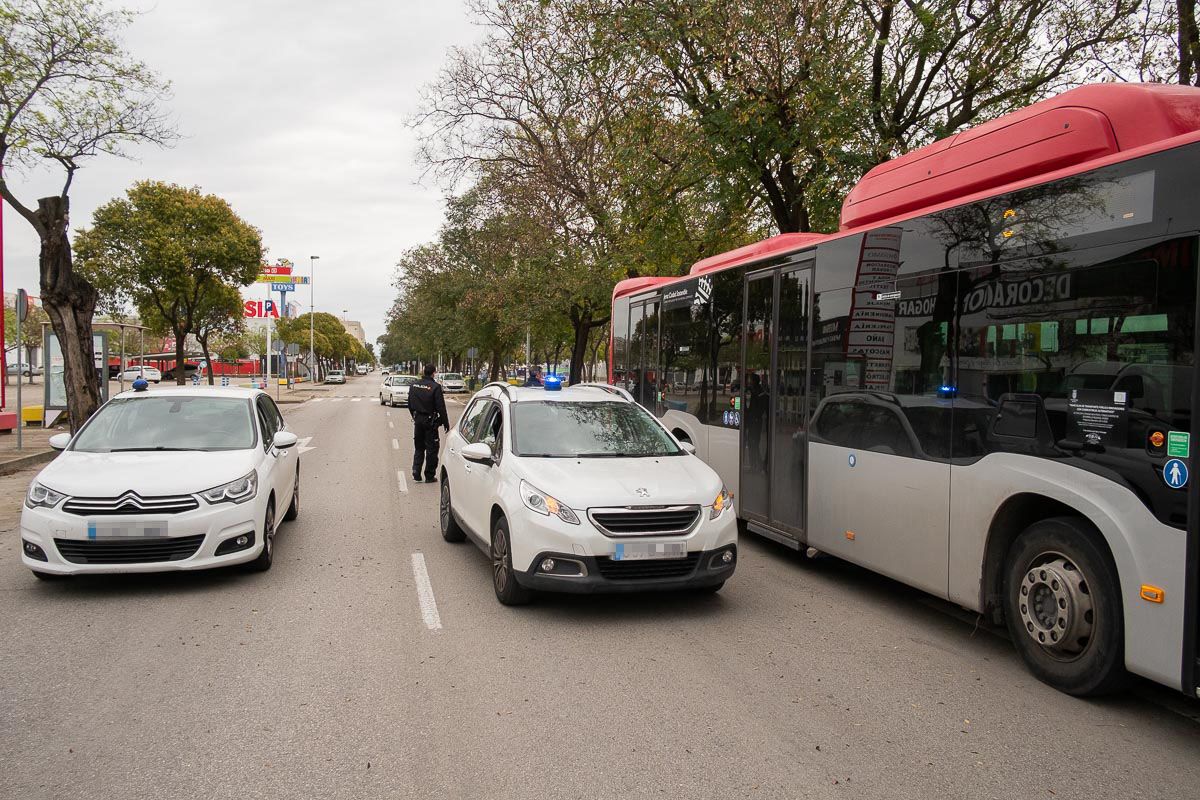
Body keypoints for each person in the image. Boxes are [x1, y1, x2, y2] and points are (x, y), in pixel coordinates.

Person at [408, 364, 449, 483]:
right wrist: (445, 423)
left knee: (419, 447)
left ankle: (416, 471)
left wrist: (415, 417)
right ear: (433, 373)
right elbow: (441, 407)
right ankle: (429, 475)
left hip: (418, 420)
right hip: (430, 422)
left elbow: (410, 404)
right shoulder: (435, 387)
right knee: (432, 449)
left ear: (423, 371)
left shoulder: (414, 385)